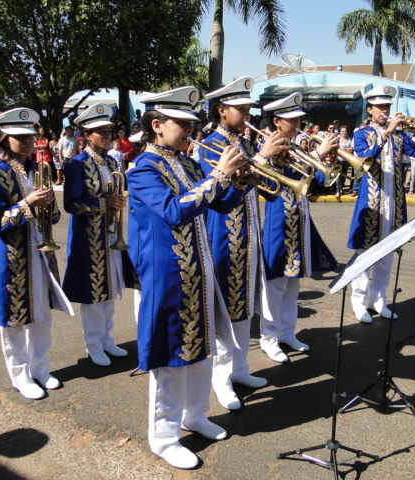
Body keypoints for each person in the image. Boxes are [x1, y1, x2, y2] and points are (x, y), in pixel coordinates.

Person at [127, 86, 248, 469]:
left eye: (192, 123)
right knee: (170, 358)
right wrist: (218, 176)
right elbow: (173, 210)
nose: (190, 130)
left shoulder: (190, 165)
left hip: (200, 270)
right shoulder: (142, 169)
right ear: (157, 125)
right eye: (182, 122)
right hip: (167, 277)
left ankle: (194, 416)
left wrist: (241, 179)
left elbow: (219, 204)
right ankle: (164, 437)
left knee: (201, 352)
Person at [199, 77, 287, 410]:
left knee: (245, 306)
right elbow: (216, 194)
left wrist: (274, 162)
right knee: (226, 310)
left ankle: (239, 370)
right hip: (224, 238)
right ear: (222, 110)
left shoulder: (247, 144)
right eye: (241, 109)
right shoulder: (209, 146)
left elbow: (267, 188)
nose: (247, 114)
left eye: (248, 108)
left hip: (250, 238)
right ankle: (221, 379)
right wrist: (262, 158)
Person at [0, 107, 73, 400]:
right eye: (20, 138)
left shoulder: (39, 170)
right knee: (16, 319)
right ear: (5, 140)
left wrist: (49, 205)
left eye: (30, 137)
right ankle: (20, 376)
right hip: (13, 257)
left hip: (42, 253)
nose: (28, 142)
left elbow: (54, 217)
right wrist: (27, 203)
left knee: (42, 315)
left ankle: (40, 369)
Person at [259, 92, 338, 360]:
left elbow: (316, 181)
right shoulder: (268, 146)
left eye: (298, 120)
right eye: (292, 120)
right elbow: (274, 179)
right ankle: (269, 338)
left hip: (300, 221)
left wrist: (327, 162)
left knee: (293, 285)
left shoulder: (297, 147)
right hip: (278, 223)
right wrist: (316, 153)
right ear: (276, 121)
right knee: (275, 286)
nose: (297, 125)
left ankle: (287, 332)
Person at [349, 85, 415, 324]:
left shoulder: (399, 135)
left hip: (394, 202)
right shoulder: (362, 133)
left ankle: (379, 300)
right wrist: (386, 134)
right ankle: (358, 302)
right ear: (370, 109)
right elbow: (365, 157)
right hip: (371, 203)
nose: (384, 111)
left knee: (387, 255)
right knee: (365, 254)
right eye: (380, 107)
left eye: (387, 106)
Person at [62, 104, 136, 367]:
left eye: (108, 130)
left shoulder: (113, 162)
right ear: (86, 135)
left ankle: (107, 339)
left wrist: (118, 200)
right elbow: (71, 204)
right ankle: (93, 344)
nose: (106, 135)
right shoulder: (77, 165)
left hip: (111, 235)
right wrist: (104, 204)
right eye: (100, 131)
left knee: (110, 288)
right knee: (93, 294)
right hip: (88, 239)